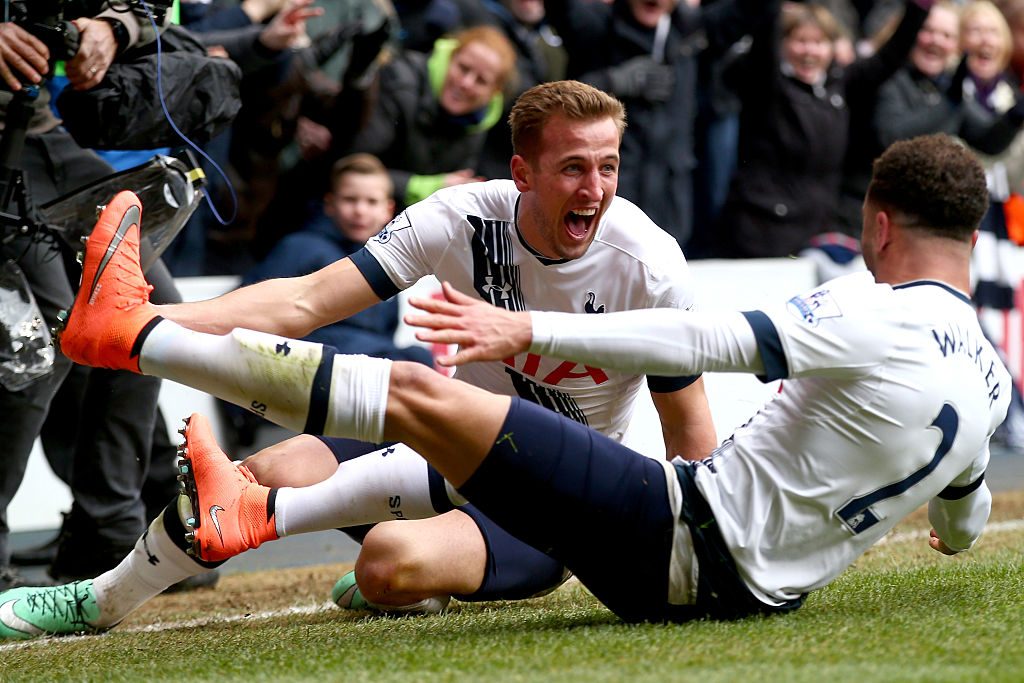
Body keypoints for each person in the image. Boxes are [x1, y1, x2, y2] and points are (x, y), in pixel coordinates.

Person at [0, 132, 1005, 636]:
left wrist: (523, 325)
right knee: (416, 423)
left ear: (875, 224)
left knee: (418, 399)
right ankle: (215, 524)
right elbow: (960, 519)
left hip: (681, 536)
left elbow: (703, 338)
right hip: (725, 565)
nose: (596, 190)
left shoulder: (864, 308)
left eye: (608, 167)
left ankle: (134, 336)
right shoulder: (994, 377)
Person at [0, 80, 717, 635]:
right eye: (573, 168)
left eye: (608, 166)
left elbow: (690, 432)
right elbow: (305, 301)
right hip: (446, 445)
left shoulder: (649, 266)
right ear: (522, 173)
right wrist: (152, 311)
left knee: (387, 564)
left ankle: (415, 571)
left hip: (553, 500)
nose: (595, 189)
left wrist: (707, 556)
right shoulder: (459, 218)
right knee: (264, 471)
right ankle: (99, 597)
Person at [0, 3, 181, 590]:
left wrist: (112, 28)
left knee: (146, 311)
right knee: (33, 344)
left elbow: (149, 9)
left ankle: (106, 536)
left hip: (39, 134)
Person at [713, 0, 929, 258]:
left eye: (819, 42)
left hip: (814, 231)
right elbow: (764, 36)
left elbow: (888, 59)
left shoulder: (839, 84)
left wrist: (919, 9)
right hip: (763, 229)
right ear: (782, 45)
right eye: (800, 41)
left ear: (832, 48)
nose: (809, 51)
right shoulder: (768, 84)